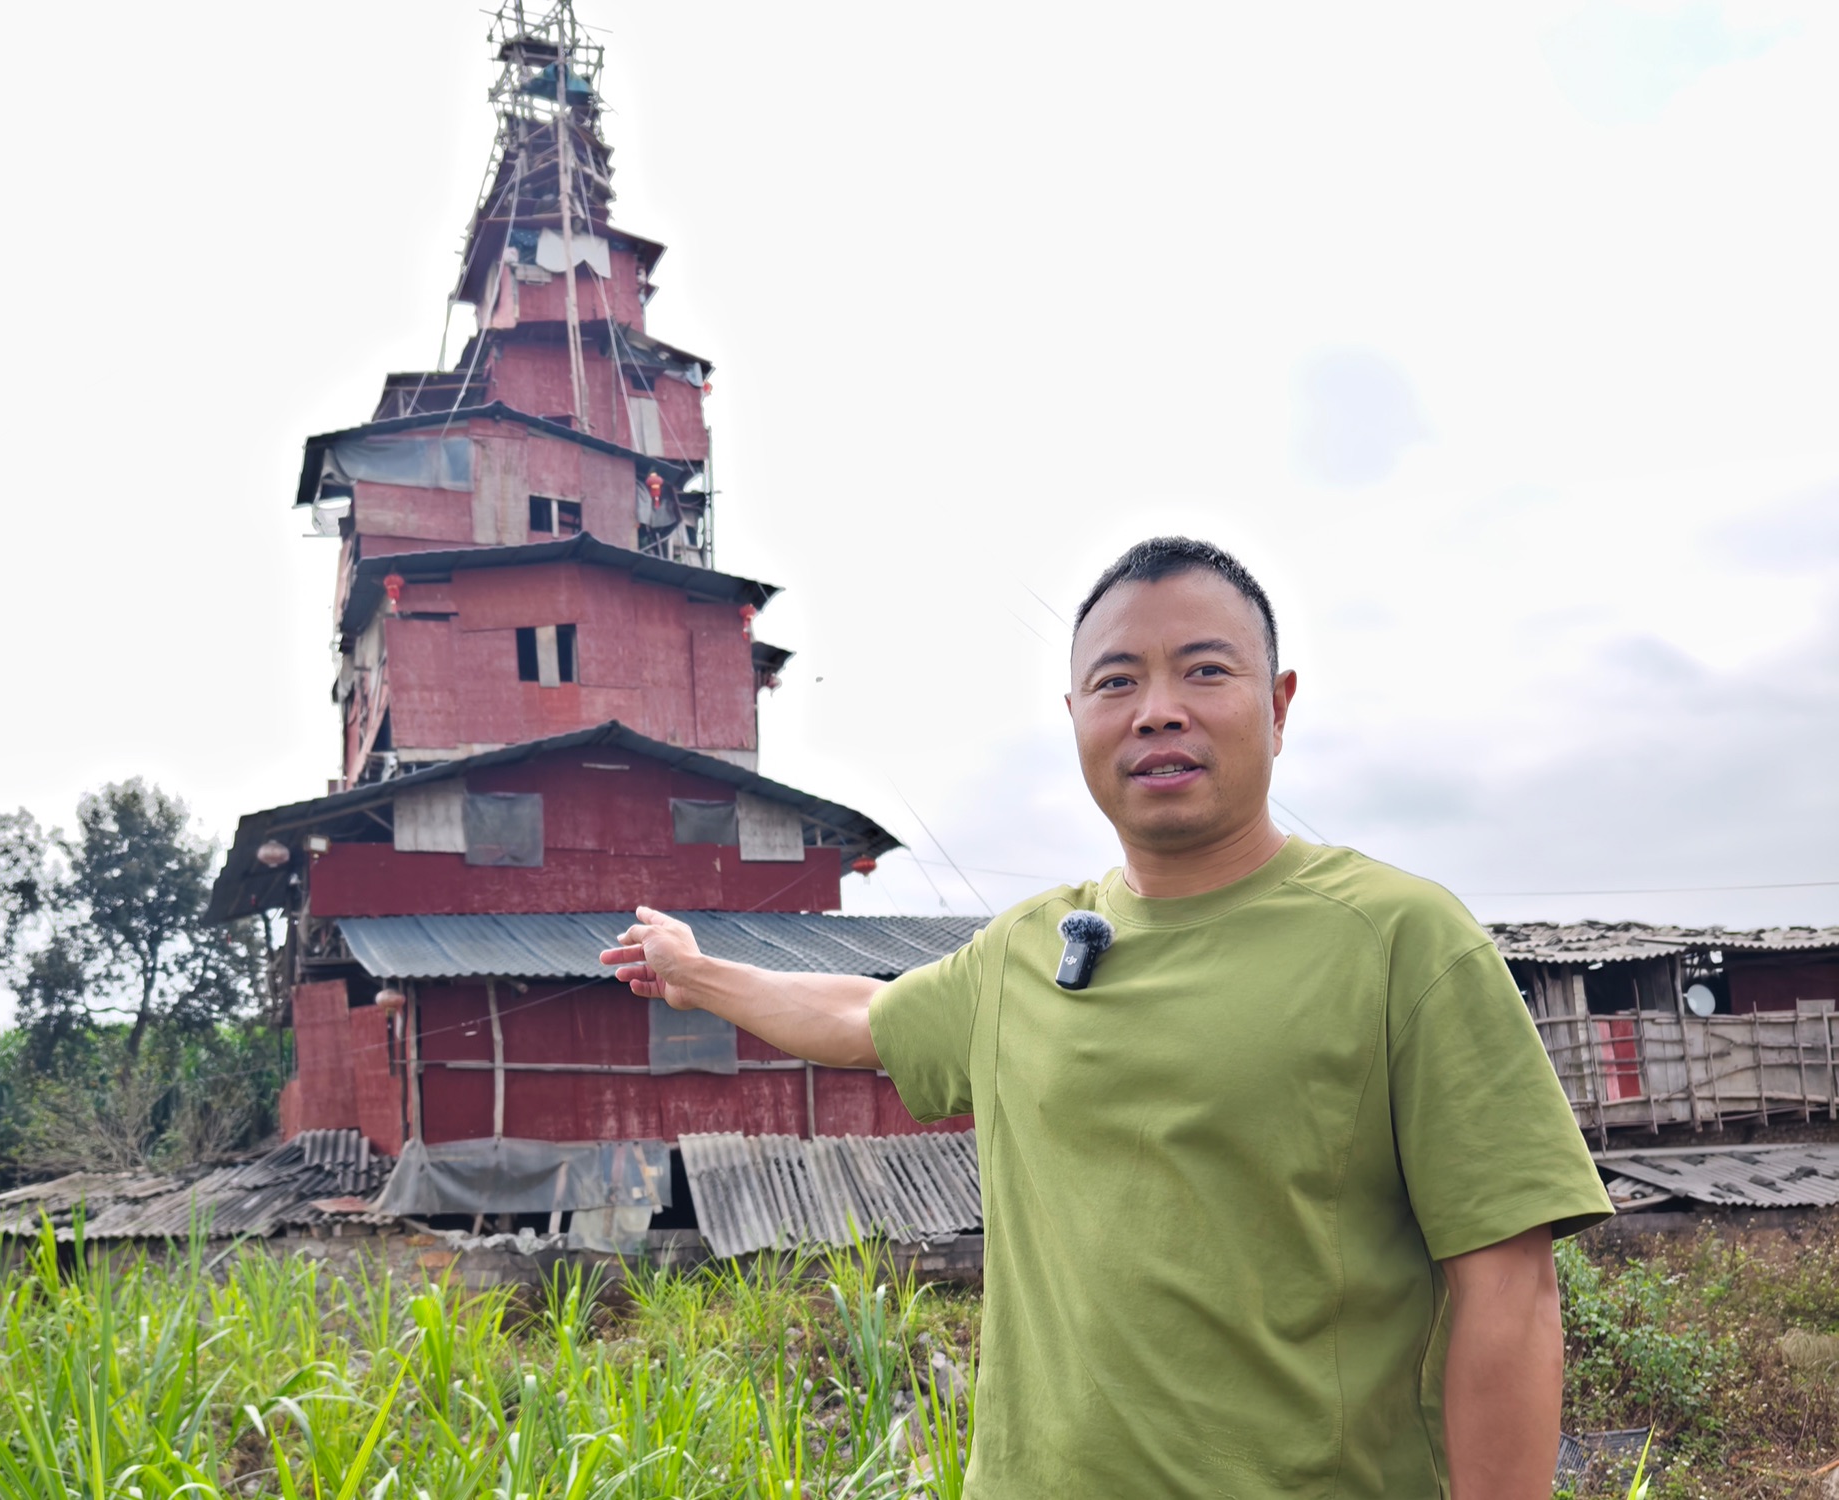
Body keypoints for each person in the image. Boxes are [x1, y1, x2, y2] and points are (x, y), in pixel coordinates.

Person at [601, 536, 1611, 1499]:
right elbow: (866, 1017)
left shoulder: (1400, 940)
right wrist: (696, 976)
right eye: (1117, 681)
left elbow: (1508, 1292)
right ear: (1075, 712)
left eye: (1204, 671)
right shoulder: (1025, 950)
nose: (1157, 711)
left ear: (1278, 703)